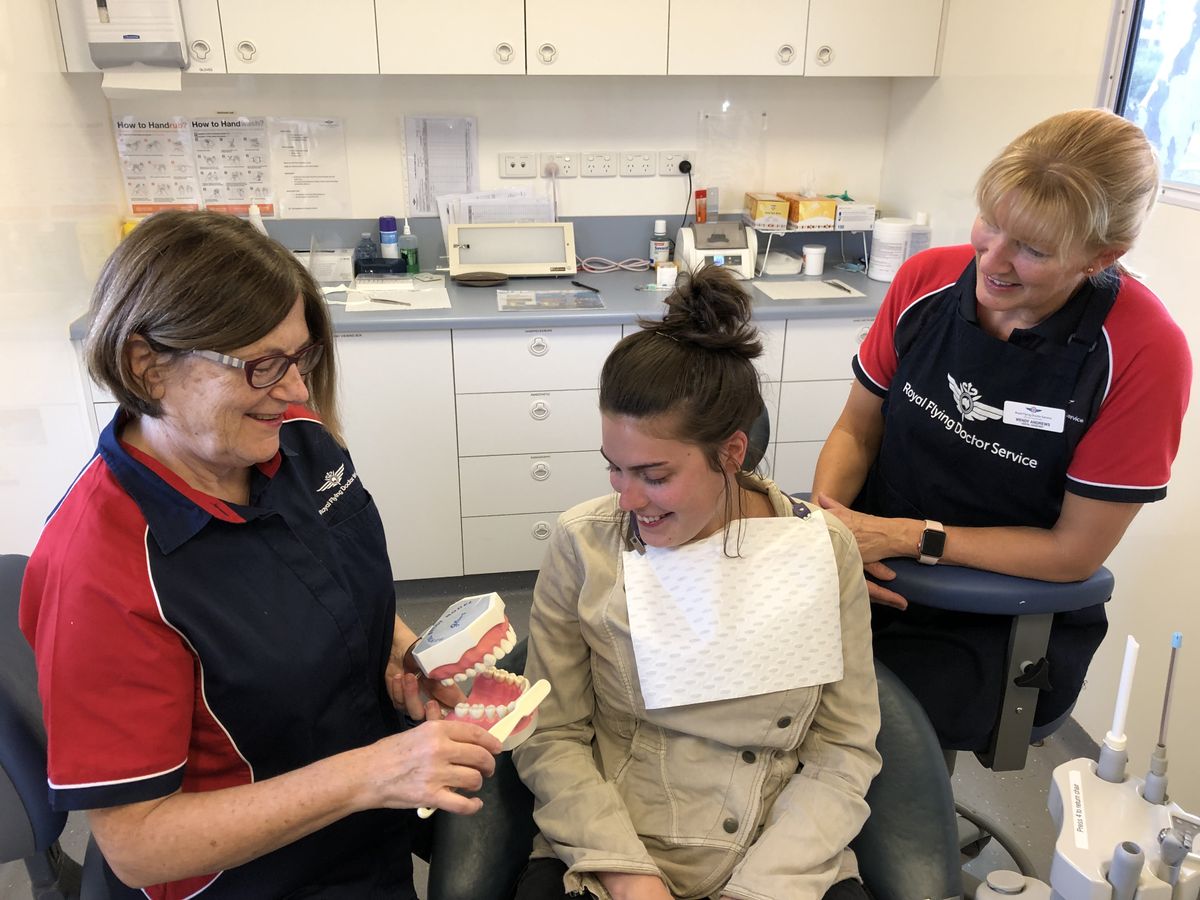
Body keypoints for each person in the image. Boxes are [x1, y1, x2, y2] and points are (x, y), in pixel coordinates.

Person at [19, 211, 501, 898]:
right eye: (262, 365)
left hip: (363, 822)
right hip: (256, 878)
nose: (297, 391)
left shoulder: (294, 441)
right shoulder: (103, 571)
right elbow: (137, 844)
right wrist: (370, 774)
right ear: (147, 365)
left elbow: (328, 583)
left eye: (300, 357)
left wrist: (394, 647)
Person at [812, 108, 1192, 752]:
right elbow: (856, 430)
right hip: (869, 563)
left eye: (1033, 249)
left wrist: (907, 540)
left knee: (851, 733)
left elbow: (1074, 551)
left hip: (1003, 614)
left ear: (1104, 255)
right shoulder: (926, 280)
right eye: (991, 224)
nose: (992, 260)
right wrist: (830, 524)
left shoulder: (1143, 351)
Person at [511, 265, 882, 900]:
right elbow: (552, 734)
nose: (628, 499)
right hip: (617, 846)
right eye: (614, 468)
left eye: (654, 475)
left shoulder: (820, 548)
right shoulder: (584, 545)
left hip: (775, 853)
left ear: (732, 454)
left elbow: (842, 749)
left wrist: (762, 888)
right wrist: (631, 880)